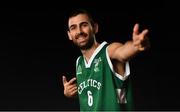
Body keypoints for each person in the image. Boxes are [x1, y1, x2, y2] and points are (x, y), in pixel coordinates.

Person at [62, 9, 150, 111]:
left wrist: (135, 46)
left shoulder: (109, 51)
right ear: (69, 35)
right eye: (73, 28)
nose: (79, 31)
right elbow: (95, 95)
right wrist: (70, 93)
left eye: (84, 25)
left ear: (95, 28)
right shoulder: (79, 62)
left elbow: (122, 52)